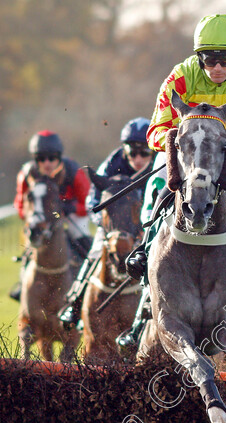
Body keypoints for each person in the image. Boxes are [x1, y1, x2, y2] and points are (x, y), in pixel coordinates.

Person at [116, 13, 226, 352]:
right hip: (186, 149)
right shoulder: (180, 76)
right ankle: (145, 247)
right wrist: (180, 144)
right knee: (158, 185)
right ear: (199, 57)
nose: (218, 67)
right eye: (210, 59)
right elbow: (156, 128)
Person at [57, 117, 155, 330]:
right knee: (94, 253)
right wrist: (104, 226)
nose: (138, 158)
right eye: (133, 152)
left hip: (149, 224)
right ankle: (75, 304)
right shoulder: (110, 165)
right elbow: (93, 201)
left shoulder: (160, 165)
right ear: (124, 149)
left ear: (153, 150)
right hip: (114, 226)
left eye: (144, 152)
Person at [13, 130, 92, 260]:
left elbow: (89, 204)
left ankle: (89, 261)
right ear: (35, 159)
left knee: (79, 232)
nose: (47, 163)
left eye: (52, 157)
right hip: (42, 216)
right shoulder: (27, 174)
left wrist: (72, 208)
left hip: (71, 214)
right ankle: (25, 272)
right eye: (41, 158)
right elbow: (20, 206)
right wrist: (32, 215)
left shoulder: (74, 172)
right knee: (30, 238)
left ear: (59, 157)